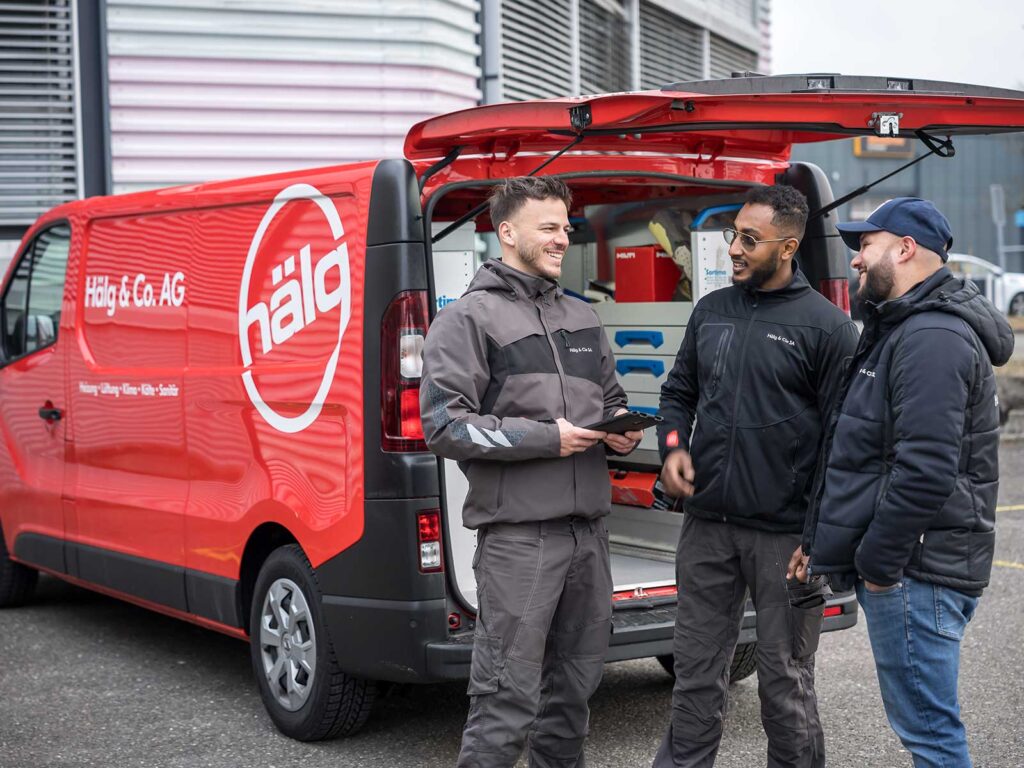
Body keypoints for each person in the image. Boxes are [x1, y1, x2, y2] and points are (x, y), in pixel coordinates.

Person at [419, 176, 642, 768]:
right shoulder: (468, 320)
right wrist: (549, 438)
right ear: (507, 231)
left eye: (566, 228)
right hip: (520, 541)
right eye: (549, 227)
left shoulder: (583, 315)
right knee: (505, 699)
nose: (562, 239)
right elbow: (445, 425)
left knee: (572, 692)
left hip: (589, 536)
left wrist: (621, 429)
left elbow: (610, 397)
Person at [797, 197, 1012, 767]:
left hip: (916, 574)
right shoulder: (901, 329)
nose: (857, 260)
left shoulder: (930, 337)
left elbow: (926, 469)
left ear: (906, 248)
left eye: (865, 245)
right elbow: (866, 451)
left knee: (930, 736)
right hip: (914, 569)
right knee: (926, 728)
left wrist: (878, 565)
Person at [654, 185, 859, 768]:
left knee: (783, 688)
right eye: (733, 235)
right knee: (694, 679)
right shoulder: (711, 310)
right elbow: (679, 393)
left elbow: (845, 445)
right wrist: (673, 447)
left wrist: (818, 537)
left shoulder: (827, 328)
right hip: (707, 530)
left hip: (785, 540)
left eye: (750, 239)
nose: (735, 249)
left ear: (789, 246)